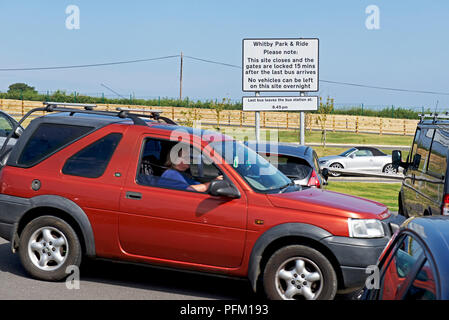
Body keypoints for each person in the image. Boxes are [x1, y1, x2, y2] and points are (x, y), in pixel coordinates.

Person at [158, 146, 222, 192]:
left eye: (190, 157)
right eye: (186, 157)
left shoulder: (184, 173)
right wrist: (212, 183)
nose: (189, 160)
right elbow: (190, 189)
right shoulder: (171, 174)